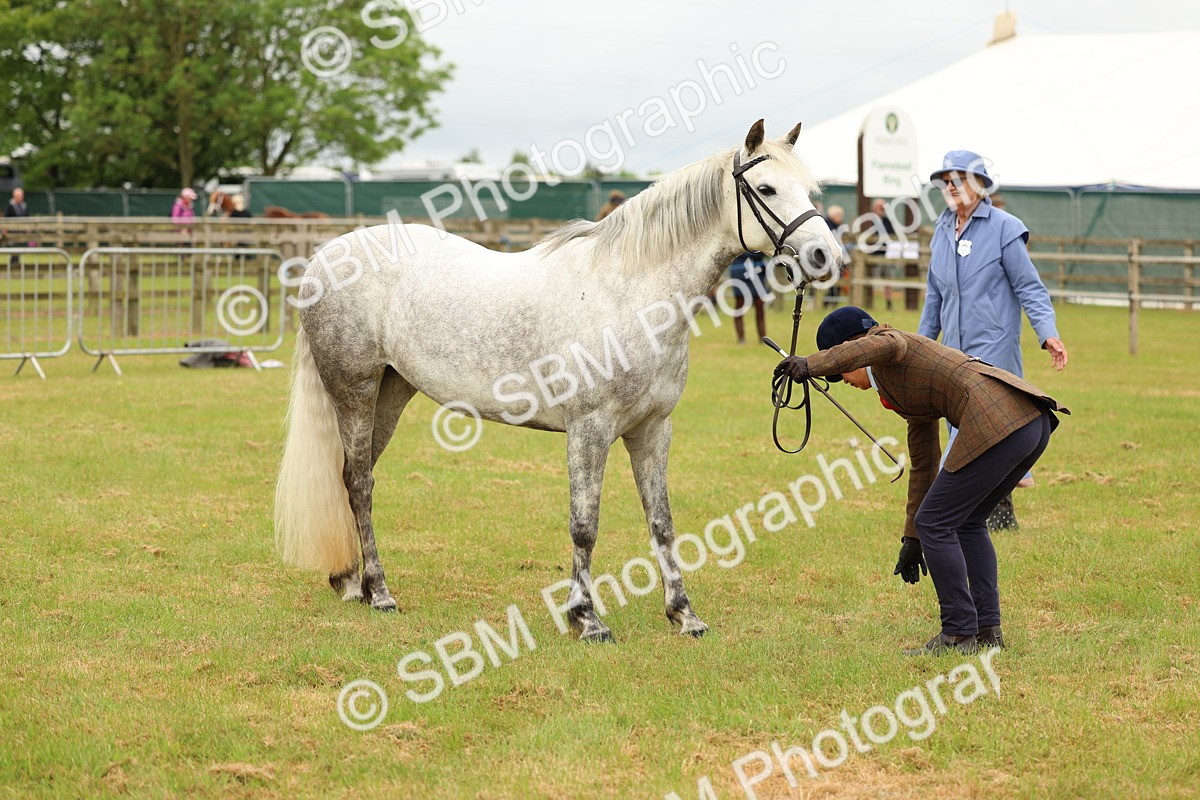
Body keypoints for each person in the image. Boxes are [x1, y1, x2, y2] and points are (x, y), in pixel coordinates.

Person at [775, 306, 1069, 655]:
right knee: (966, 522)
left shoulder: (890, 344)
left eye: (839, 374)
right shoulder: (900, 383)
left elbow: (877, 345)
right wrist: (912, 539)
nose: (845, 384)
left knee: (936, 521)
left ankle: (958, 633)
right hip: (1028, 424)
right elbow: (924, 463)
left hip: (1003, 423)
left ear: (849, 350)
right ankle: (988, 631)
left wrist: (812, 364)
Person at [919, 151, 1068, 530]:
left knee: (990, 430)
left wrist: (1047, 333)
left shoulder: (1005, 228)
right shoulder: (941, 230)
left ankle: (969, 517)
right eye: (946, 180)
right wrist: (920, 348)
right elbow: (934, 296)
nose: (950, 187)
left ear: (980, 185)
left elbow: (1030, 288)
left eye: (959, 179)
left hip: (994, 349)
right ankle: (989, 515)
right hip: (953, 350)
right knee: (966, 428)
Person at [728, 251, 768, 344]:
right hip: (740, 273)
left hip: (757, 273)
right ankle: (741, 339)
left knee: (760, 305)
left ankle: (762, 338)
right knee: (740, 306)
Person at [4, 187, 28, 268]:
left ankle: (16, 263)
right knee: (13, 247)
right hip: (12, 231)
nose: (20, 197)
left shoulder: (24, 206)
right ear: (14, 196)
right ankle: (13, 263)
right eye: (19, 196)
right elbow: (6, 219)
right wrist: (5, 229)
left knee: (19, 247)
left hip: (21, 231)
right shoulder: (10, 206)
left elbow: (27, 217)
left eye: (21, 196)